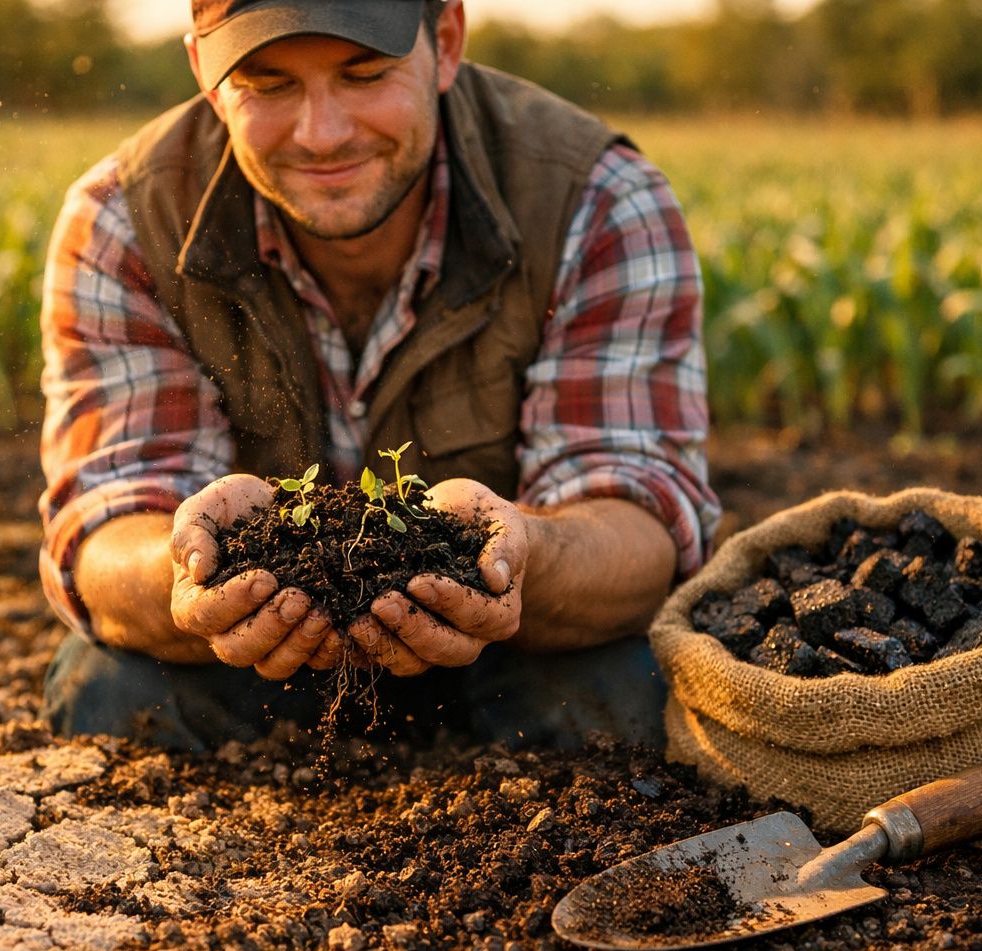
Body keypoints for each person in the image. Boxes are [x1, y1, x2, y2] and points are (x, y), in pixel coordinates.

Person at [36, 0, 720, 751]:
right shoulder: (128, 218)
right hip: (249, 666)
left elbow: (640, 521)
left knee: (626, 695)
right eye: (268, 85)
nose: (322, 134)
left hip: (512, 650)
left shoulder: (595, 199)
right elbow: (105, 529)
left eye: (366, 75)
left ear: (447, 42)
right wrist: (186, 569)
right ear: (204, 70)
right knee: (112, 692)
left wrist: (520, 550)